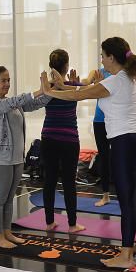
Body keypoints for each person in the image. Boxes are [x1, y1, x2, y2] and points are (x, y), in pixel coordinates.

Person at [40, 37, 136, 269]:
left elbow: (80, 96)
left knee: (127, 200)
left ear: (111, 57)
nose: (101, 59)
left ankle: (125, 255)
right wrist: (63, 86)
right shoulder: (124, 78)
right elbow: (88, 90)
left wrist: (50, 91)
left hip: (124, 143)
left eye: (102, 55)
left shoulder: (116, 81)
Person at [0, 66, 49, 249]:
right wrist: (38, 90)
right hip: (0, 159)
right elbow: (10, 103)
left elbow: (36, 103)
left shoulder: (13, 102)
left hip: (16, 158)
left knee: (10, 199)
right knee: (0, 199)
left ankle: (7, 231)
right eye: (3, 80)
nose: (7, 84)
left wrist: (51, 91)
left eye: (8, 80)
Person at [39, 49, 83, 232]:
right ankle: (72, 225)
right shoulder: (72, 86)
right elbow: (87, 87)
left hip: (48, 137)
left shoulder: (46, 87)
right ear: (66, 65)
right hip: (68, 139)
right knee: (68, 182)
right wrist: (74, 83)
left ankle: (49, 222)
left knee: (49, 180)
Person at [84, 66, 113, 206]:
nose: (102, 59)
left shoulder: (121, 73)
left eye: (104, 55)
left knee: (121, 157)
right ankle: (106, 195)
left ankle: (126, 194)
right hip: (100, 121)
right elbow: (85, 82)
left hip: (115, 120)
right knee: (104, 156)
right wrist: (67, 83)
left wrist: (100, 85)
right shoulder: (98, 72)